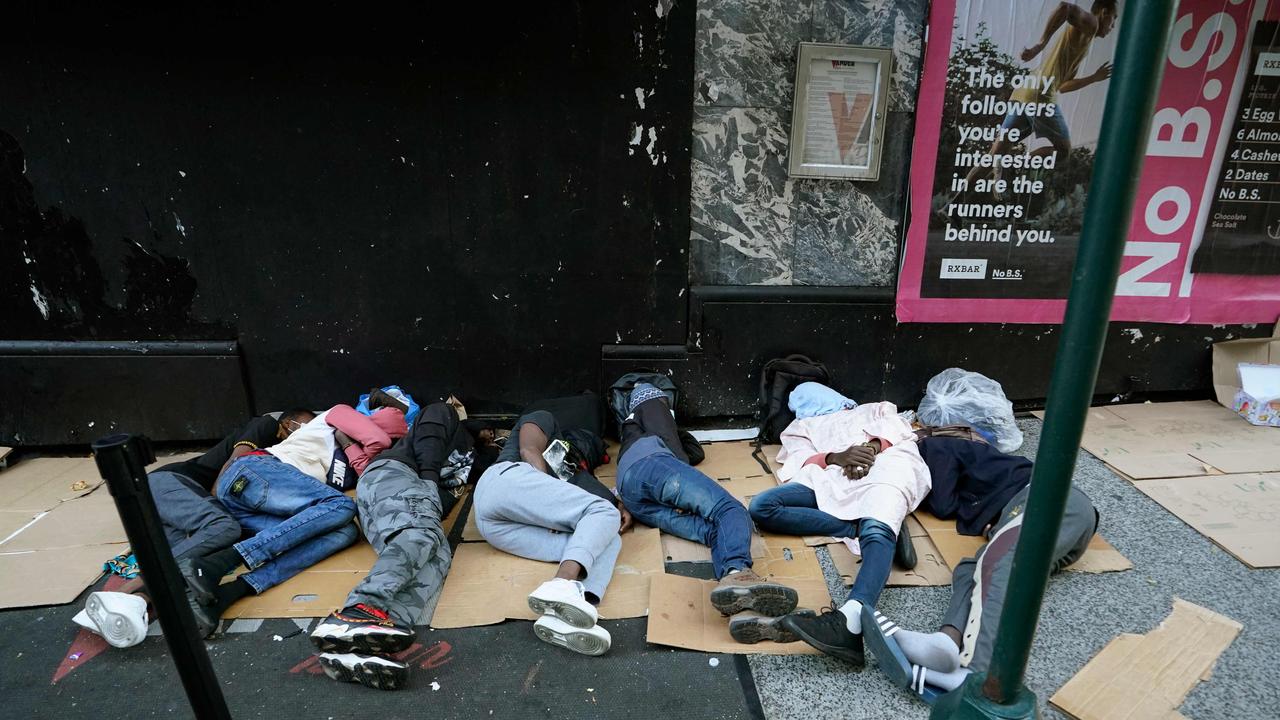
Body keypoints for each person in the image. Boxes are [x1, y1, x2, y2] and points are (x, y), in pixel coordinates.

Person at [860, 436, 1099, 701]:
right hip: (1039, 514)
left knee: (999, 563)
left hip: (1053, 500)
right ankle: (948, 641)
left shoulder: (931, 447)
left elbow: (944, 504)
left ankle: (977, 672)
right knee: (970, 568)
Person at [73, 410, 311, 648]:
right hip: (170, 484)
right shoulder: (267, 425)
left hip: (173, 508)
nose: (309, 432)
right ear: (288, 423)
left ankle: (130, 606)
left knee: (188, 570)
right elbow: (235, 461)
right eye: (306, 425)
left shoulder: (289, 455)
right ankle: (125, 590)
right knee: (224, 527)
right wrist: (215, 502)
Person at [182, 403, 407, 637]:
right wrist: (373, 444)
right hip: (255, 472)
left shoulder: (351, 456)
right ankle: (218, 563)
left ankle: (233, 591)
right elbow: (378, 441)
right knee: (341, 505)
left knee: (346, 533)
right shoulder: (336, 415)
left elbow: (369, 474)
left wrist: (351, 447)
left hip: (256, 508)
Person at [616, 383, 799, 640]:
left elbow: (691, 450)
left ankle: (743, 611)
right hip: (653, 468)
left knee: (715, 531)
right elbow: (675, 446)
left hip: (635, 496)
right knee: (731, 511)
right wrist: (680, 477)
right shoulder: (650, 402)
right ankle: (738, 574)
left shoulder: (630, 429)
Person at [767, 401, 931, 668]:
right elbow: (797, 458)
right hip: (832, 475)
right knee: (763, 507)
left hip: (885, 464)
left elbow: (897, 428)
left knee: (878, 523)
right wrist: (836, 457)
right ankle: (859, 527)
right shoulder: (801, 426)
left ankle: (851, 620)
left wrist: (869, 449)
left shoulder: (876, 408)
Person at [310, 401, 461, 690]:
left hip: (405, 498)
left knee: (434, 567)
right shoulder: (443, 416)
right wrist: (429, 479)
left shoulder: (475, 456)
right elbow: (434, 426)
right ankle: (359, 609)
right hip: (397, 477)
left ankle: (365, 646)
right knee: (420, 535)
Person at [471, 409, 627, 657]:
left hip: (496, 525)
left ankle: (569, 612)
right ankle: (561, 584)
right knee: (603, 512)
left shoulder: (569, 468)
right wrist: (549, 509)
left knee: (607, 539)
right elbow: (528, 451)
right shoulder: (543, 418)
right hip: (502, 481)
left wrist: (620, 505)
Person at [960, 0, 1117, 199]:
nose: (1113, 27)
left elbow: (1064, 86)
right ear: (1104, 13)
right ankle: (1015, 165)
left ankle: (952, 206)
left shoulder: (1084, 37)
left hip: (1025, 91)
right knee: (1063, 151)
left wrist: (1094, 78)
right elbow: (1065, 8)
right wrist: (1040, 45)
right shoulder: (1092, 24)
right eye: (1114, 20)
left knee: (994, 154)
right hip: (1041, 95)